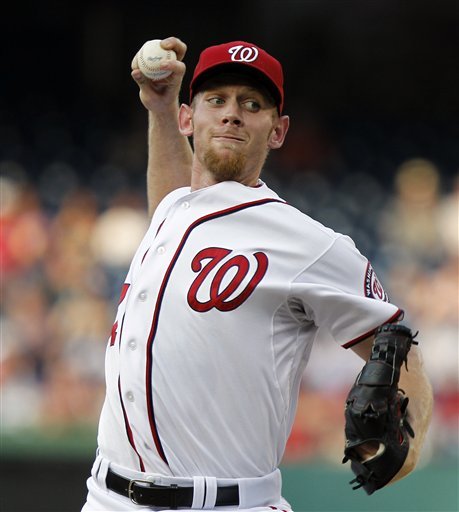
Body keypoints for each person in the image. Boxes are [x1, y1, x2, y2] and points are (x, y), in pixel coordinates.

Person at [81, 37, 433, 511]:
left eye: (252, 104)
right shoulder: (173, 211)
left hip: (230, 504)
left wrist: (408, 443)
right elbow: (175, 205)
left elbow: (398, 349)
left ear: (278, 130)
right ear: (190, 117)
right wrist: (160, 110)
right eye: (216, 100)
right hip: (107, 497)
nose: (232, 114)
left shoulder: (309, 243)